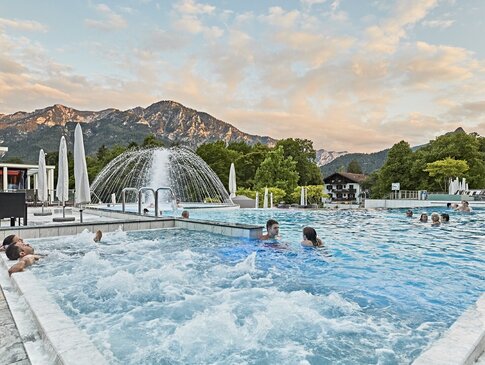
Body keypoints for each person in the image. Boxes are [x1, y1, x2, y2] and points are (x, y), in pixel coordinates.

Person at [6, 231, 102, 275]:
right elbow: (23, 262)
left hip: (59, 259)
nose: (26, 243)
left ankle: (94, 242)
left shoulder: (32, 254)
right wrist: (20, 263)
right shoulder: (28, 256)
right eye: (23, 245)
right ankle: (94, 242)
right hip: (63, 261)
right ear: (22, 253)